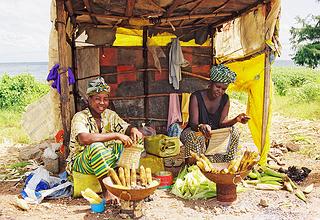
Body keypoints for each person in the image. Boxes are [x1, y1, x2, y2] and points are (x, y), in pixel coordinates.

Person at [66, 76, 143, 200]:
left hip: (105, 158)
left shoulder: (110, 115)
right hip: (82, 161)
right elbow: (84, 139)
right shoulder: (80, 117)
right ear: (89, 99)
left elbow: (125, 127)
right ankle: (107, 193)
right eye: (97, 99)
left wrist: (133, 130)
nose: (102, 103)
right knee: (97, 147)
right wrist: (116, 135)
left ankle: (128, 182)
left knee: (131, 141)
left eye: (105, 99)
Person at [180, 64, 250, 164]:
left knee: (234, 132)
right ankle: (193, 167)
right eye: (218, 87)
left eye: (224, 89)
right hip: (195, 132)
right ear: (210, 83)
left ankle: (225, 165)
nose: (220, 91)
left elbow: (222, 123)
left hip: (214, 135)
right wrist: (202, 126)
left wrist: (236, 119)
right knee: (195, 136)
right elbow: (193, 123)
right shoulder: (196, 96)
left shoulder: (225, 99)